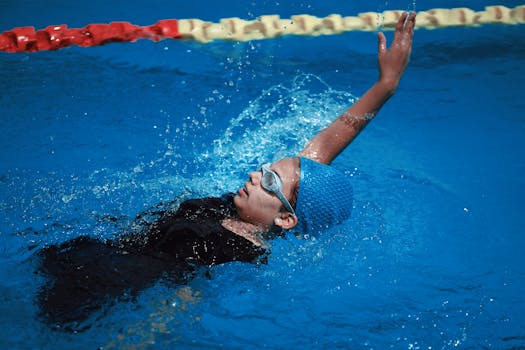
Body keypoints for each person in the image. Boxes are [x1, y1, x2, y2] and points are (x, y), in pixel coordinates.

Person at [37, 12, 416, 331]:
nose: (255, 175)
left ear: (286, 218)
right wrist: (386, 85)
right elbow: (323, 149)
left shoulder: (237, 251)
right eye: (265, 168)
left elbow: (181, 301)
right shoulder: (245, 206)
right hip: (102, 246)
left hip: (103, 286)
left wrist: (133, 341)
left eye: (269, 180)